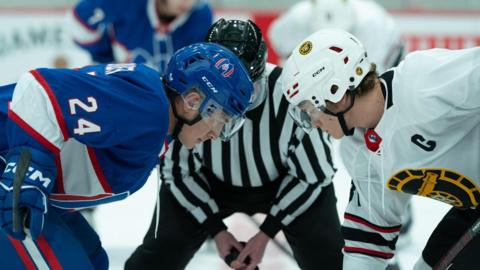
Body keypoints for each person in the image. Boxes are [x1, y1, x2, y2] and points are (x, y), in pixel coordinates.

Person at [0, 42, 254, 269]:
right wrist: (30, 169)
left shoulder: (156, 120)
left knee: (93, 260)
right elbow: (39, 90)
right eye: (220, 119)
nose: (216, 134)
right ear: (193, 100)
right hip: (5, 170)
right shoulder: (149, 108)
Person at [126, 19, 343, 270]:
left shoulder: (290, 93)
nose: (239, 105)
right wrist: (216, 230)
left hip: (284, 183)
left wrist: (266, 233)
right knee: (160, 253)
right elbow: (178, 171)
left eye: (249, 89)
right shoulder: (188, 95)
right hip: (210, 183)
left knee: (328, 257)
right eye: (225, 93)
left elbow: (314, 173)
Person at [281, 28, 480, 269]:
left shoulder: (421, 81)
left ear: (336, 90)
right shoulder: (366, 158)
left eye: (309, 108)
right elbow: (367, 246)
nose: (312, 122)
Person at [67, 0, 213, 72]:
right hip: (122, 92)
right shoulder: (129, 3)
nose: (187, 2)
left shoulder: (201, 16)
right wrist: (105, 59)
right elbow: (79, 23)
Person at [269, 0, 404, 72]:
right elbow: (282, 48)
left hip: (390, 57)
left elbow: (373, 76)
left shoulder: (374, 24)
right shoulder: (296, 19)